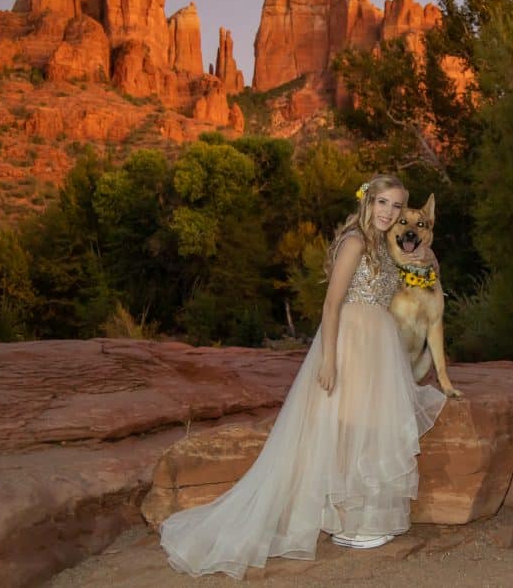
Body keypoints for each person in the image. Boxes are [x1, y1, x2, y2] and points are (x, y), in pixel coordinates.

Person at [160, 173, 447, 579]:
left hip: (380, 343)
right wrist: (329, 361)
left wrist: (429, 259)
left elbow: (422, 267)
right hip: (350, 341)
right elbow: (331, 306)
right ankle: (346, 521)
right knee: (344, 426)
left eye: (398, 206)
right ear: (368, 202)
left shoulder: (387, 245)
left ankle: (361, 521)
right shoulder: (354, 243)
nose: (390, 212)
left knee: (369, 427)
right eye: (383, 203)